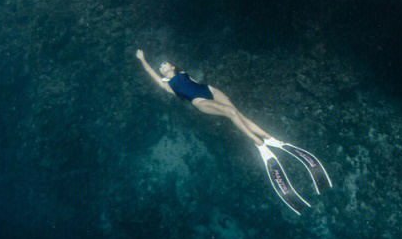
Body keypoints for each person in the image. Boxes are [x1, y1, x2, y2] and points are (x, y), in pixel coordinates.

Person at [136, 49, 331, 214]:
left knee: (239, 114)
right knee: (230, 113)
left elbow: (194, 83)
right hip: (200, 102)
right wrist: (142, 59)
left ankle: (271, 139)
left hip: (209, 90)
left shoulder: (182, 72)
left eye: (164, 63)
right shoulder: (167, 85)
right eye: (160, 66)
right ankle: (259, 144)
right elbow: (149, 72)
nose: (162, 65)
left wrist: (203, 86)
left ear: (171, 66)